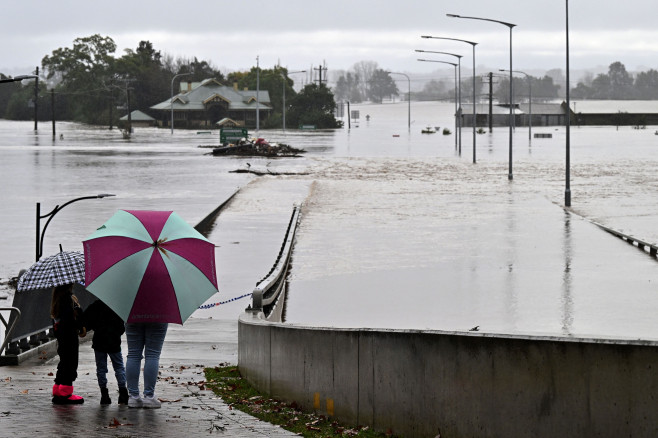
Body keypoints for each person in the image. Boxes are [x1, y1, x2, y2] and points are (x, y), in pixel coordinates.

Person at [82, 299, 128, 405]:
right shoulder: (117, 306)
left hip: (99, 340)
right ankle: (123, 393)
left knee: (101, 368)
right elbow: (121, 328)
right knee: (119, 367)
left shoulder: (96, 305)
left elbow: (87, 321)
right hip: (114, 341)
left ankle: (104, 395)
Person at [50, 283, 86, 405]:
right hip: (69, 336)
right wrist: (78, 310)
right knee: (71, 362)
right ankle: (65, 392)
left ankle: (58, 389)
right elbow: (71, 319)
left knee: (63, 361)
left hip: (61, 336)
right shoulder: (68, 299)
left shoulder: (57, 298)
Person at [125, 322, 168, 408]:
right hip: (158, 316)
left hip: (134, 315)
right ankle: (149, 396)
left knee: (133, 355)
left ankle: (133, 396)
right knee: (152, 355)